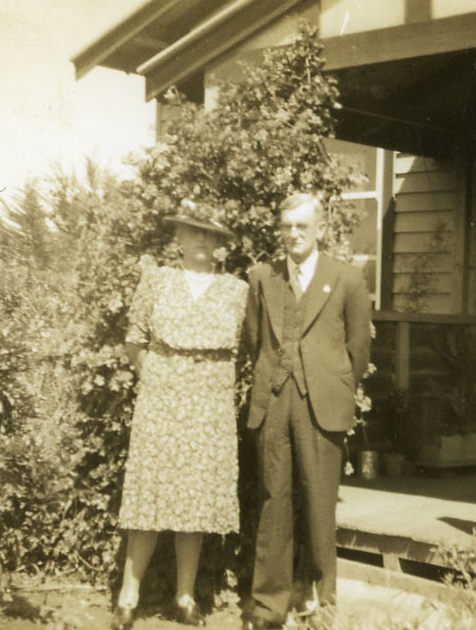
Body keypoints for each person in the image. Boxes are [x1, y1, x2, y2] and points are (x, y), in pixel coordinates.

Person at [112, 200, 247, 630]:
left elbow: (248, 349)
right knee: (149, 497)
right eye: (193, 231)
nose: (202, 239)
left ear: (222, 245)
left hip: (209, 403)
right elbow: (135, 339)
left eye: (210, 234)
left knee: (196, 501)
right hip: (162, 399)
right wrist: (153, 374)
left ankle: (184, 597)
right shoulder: (156, 281)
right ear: (179, 239)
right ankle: (128, 597)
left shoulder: (237, 291)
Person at [242, 193, 372, 629]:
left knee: (319, 503)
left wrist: (331, 388)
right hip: (273, 401)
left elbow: (358, 349)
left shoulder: (348, 279)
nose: (293, 235)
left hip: (322, 404)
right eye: (286, 227)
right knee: (272, 503)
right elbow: (254, 340)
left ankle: (321, 602)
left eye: (302, 226)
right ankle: (268, 607)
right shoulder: (263, 278)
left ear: (319, 229)